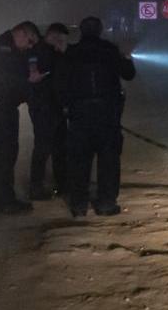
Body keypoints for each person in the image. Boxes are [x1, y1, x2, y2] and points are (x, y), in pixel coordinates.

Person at [57, 16, 135, 217]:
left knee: (79, 160)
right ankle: (106, 203)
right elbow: (128, 74)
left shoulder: (71, 53)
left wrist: (67, 106)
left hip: (79, 114)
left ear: (81, 31)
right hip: (107, 113)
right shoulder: (110, 50)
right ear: (100, 31)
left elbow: (61, 84)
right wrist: (126, 57)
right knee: (108, 159)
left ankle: (78, 205)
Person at [0, 21, 43, 213]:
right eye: (29, 41)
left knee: (8, 152)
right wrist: (26, 80)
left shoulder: (17, 49)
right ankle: (5, 202)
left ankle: (6, 197)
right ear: (20, 33)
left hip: (5, 106)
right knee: (5, 152)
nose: (30, 47)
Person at [27, 22, 70, 199]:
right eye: (60, 39)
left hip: (53, 107)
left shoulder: (47, 51)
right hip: (45, 107)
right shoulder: (42, 52)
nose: (61, 43)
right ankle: (37, 188)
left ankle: (60, 184)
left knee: (58, 147)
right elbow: (41, 76)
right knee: (44, 148)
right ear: (52, 36)